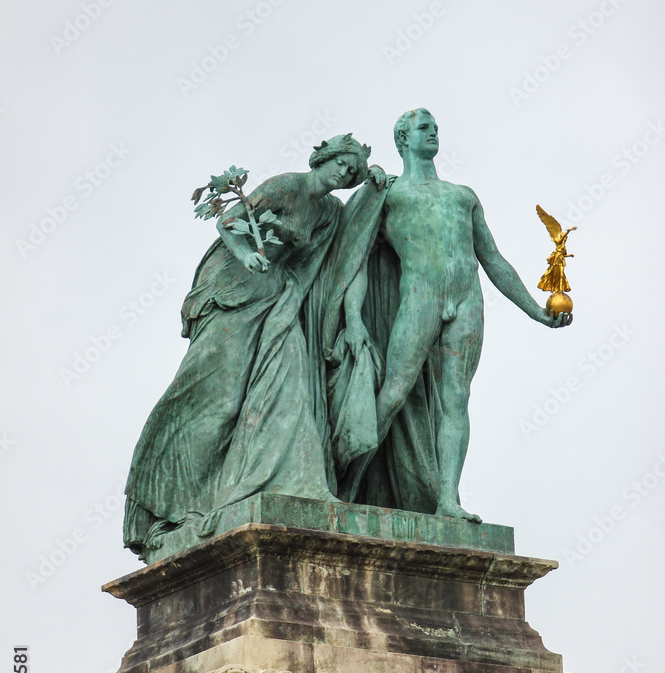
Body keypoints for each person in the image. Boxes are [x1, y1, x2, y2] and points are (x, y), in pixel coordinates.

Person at [124, 134, 379, 560]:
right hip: (232, 291)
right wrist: (246, 254)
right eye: (342, 163)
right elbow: (228, 222)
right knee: (215, 401)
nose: (345, 173)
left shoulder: (330, 211)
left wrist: (374, 188)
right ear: (324, 158)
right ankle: (170, 510)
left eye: (352, 172)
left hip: (275, 298)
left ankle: (297, 484)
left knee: (292, 379)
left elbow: (343, 252)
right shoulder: (286, 185)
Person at [337, 108, 572, 521]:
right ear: (403, 139)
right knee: (393, 393)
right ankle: (345, 484)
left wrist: (536, 311)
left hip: (467, 300)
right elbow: (355, 261)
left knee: (457, 400)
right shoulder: (389, 193)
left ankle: (448, 501)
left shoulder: (463, 196)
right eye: (423, 127)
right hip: (419, 299)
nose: (433, 132)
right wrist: (353, 317)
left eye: (435, 127)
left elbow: (493, 260)